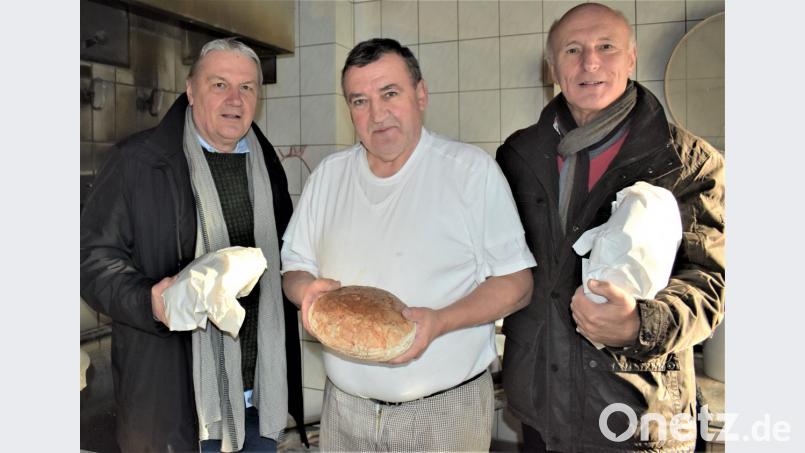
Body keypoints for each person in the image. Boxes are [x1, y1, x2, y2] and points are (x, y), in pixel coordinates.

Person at [280, 38, 536, 451]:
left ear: (421, 94)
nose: (376, 114)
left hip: (443, 414)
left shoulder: (469, 172)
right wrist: (305, 292)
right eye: (359, 101)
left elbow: (518, 284)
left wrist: (440, 321)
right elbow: (294, 265)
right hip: (344, 411)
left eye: (390, 93)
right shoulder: (328, 176)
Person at [495, 3, 725, 452]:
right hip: (539, 407)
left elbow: (710, 283)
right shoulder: (519, 156)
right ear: (553, 67)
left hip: (635, 413)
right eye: (573, 50)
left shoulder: (687, 162)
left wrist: (639, 324)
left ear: (631, 57)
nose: (590, 63)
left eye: (606, 47)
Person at [80, 38, 306, 452]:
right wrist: (148, 300)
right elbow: (91, 262)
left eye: (247, 87)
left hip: (259, 400)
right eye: (219, 84)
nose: (234, 99)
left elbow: (286, 255)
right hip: (177, 409)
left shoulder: (266, 162)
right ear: (190, 90)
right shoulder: (139, 162)